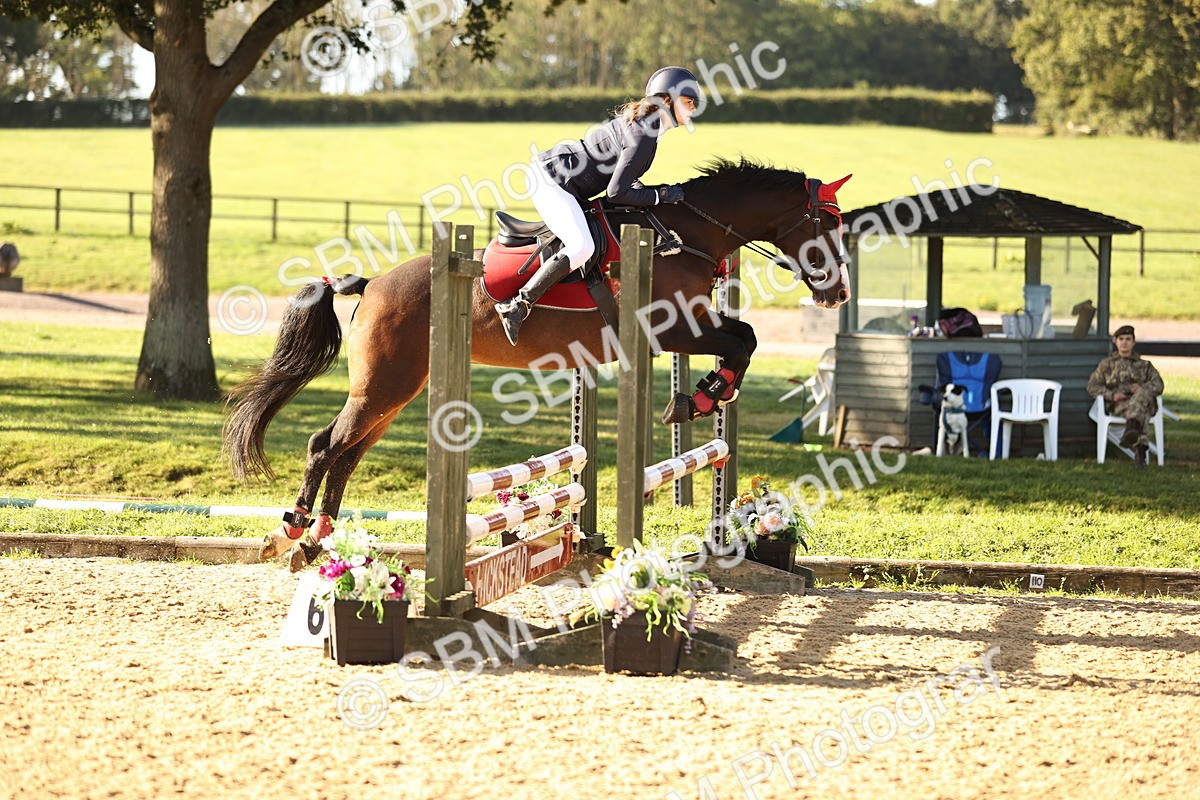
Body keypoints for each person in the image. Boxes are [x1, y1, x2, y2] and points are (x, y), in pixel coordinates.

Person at [493, 66, 701, 345]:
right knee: (582, 246)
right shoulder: (643, 134)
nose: (691, 112)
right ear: (668, 100)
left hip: (568, 183)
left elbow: (628, 179)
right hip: (552, 182)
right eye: (688, 103)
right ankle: (518, 304)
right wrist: (660, 195)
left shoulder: (648, 128)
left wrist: (655, 194)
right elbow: (616, 192)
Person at [1087, 325, 1164, 466]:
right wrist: (1112, 395)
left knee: (1142, 397)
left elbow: (1159, 385)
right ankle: (1140, 453)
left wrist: (1142, 388)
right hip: (1120, 405)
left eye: (1128, 339)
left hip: (1144, 402)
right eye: (1121, 339)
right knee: (1142, 412)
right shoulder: (1106, 365)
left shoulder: (1145, 365)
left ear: (1134, 342)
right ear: (1115, 342)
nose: (1124, 342)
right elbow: (1092, 386)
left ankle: (1132, 430)